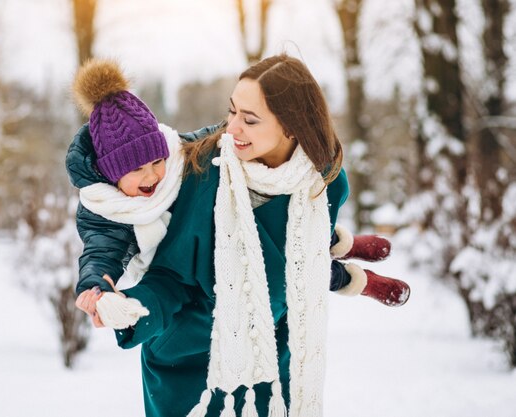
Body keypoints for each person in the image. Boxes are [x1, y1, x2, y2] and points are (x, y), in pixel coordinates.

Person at [67, 55, 409, 416]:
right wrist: (129, 308)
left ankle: (352, 262)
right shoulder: (203, 173)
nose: (231, 129)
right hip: (195, 363)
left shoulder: (322, 181)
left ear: (291, 126)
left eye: (249, 119)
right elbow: (167, 274)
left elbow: (300, 262)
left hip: (275, 363)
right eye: (231, 113)